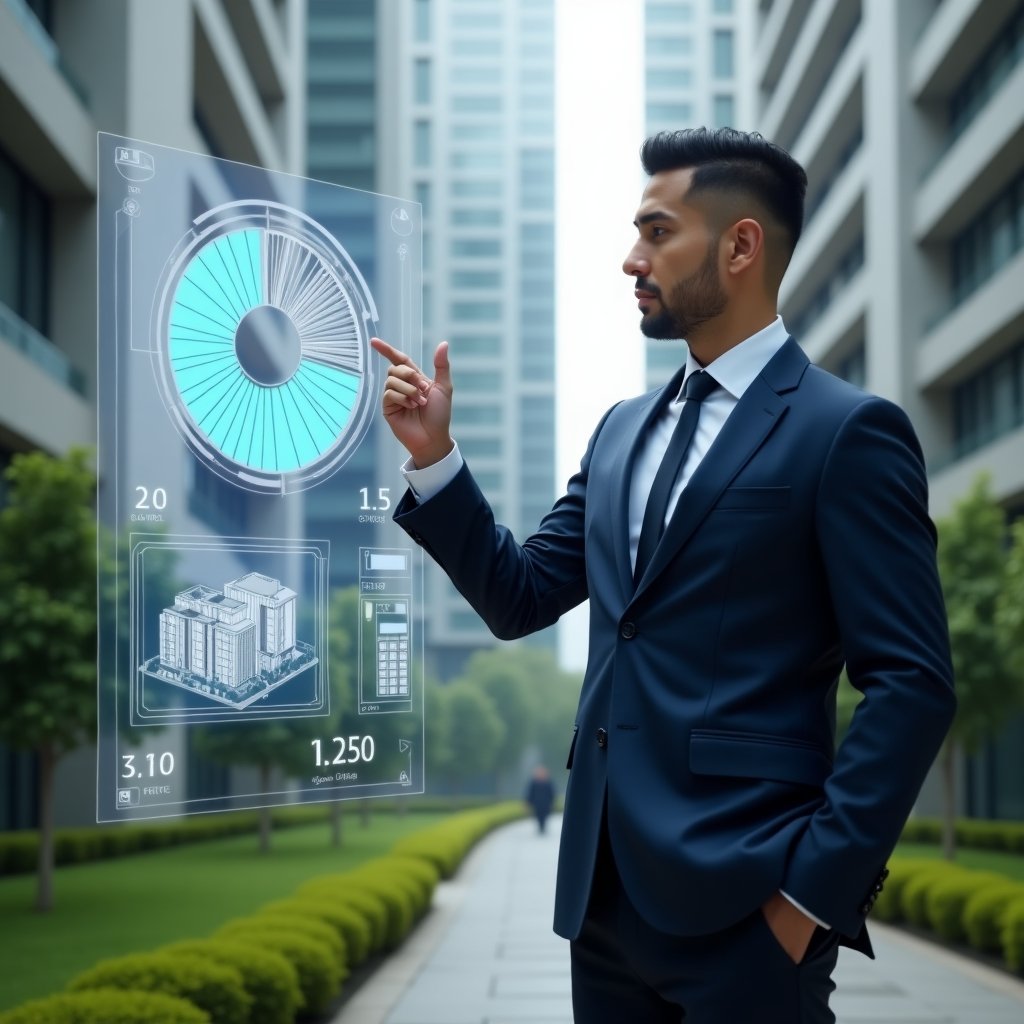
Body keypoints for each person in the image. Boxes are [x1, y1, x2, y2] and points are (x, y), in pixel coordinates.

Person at [370, 127, 956, 1023]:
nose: (630, 259)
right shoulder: (619, 432)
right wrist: (437, 461)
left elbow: (912, 687)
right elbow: (521, 598)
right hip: (602, 910)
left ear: (741, 245)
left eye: (656, 232)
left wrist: (805, 903)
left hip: (750, 914)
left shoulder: (848, 432)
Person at [525, 763, 556, 834]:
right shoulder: (533, 782)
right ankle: (540, 827)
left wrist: (553, 802)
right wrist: (528, 802)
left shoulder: (548, 782)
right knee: (538, 816)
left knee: (545, 816)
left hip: (546, 803)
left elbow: (552, 793)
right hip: (537, 803)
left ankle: (543, 826)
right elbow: (530, 793)